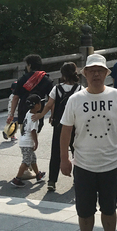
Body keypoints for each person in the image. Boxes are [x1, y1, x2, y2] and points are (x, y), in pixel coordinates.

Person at [60, 53, 117, 231]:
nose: (95, 74)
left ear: (106, 73)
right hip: (83, 163)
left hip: (110, 162)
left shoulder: (116, 96)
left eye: (99, 71)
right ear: (84, 74)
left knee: (109, 208)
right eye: (91, 71)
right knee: (84, 210)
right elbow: (66, 131)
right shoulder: (75, 100)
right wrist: (64, 158)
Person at [32, 62, 83, 191]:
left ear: (63, 74)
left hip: (60, 124)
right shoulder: (80, 89)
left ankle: (52, 181)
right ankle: (78, 179)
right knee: (77, 152)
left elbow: (49, 104)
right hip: (75, 125)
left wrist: (42, 115)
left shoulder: (57, 89)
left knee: (56, 153)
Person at [6, 54, 54, 133]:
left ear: (30, 65)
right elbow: (51, 99)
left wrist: (11, 114)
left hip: (24, 110)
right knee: (35, 134)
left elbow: (15, 97)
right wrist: (52, 114)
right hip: (38, 111)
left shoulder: (22, 79)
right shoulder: (46, 79)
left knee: (24, 134)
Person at [11, 94, 46, 188]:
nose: (41, 105)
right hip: (27, 142)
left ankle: (38, 175)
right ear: (37, 105)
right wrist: (36, 142)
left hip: (24, 141)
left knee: (33, 159)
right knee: (26, 161)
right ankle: (17, 179)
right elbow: (33, 131)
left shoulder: (28, 113)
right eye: (40, 103)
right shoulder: (34, 118)